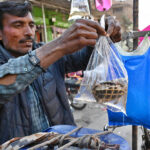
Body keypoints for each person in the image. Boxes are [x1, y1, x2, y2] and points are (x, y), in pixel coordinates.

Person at [0, 0, 121, 144]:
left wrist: (103, 37)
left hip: (62, 144)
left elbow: (85, 59)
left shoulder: (50, 54)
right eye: (18, 25)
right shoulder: (49, 52)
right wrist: (59, 44)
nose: (29, 32)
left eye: (31, 25)